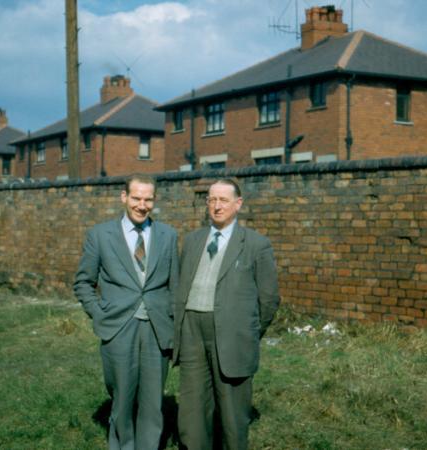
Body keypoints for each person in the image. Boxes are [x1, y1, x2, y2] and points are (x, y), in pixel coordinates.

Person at [74, 174, 179, 450]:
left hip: (157, 329)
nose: (142, 205)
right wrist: (99, 313)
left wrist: (173, 324)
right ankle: (122, 444)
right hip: (118, 327)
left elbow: (175, 286)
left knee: (153, 400)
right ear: (124, 197)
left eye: (148, 199)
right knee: (121, 397)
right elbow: (83, 282)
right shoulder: (100, 235)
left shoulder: (168, 235)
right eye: (136, 198)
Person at [174, 178, 280, 450]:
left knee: (232, 412)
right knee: (192, 406)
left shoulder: (256, 244)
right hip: (192, 332)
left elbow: (268, 300)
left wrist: (247, 332)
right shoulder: (194, 239)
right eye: (211, 199)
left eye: (223, 200)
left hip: (232, 335)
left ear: (238, 204)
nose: (216, 206)